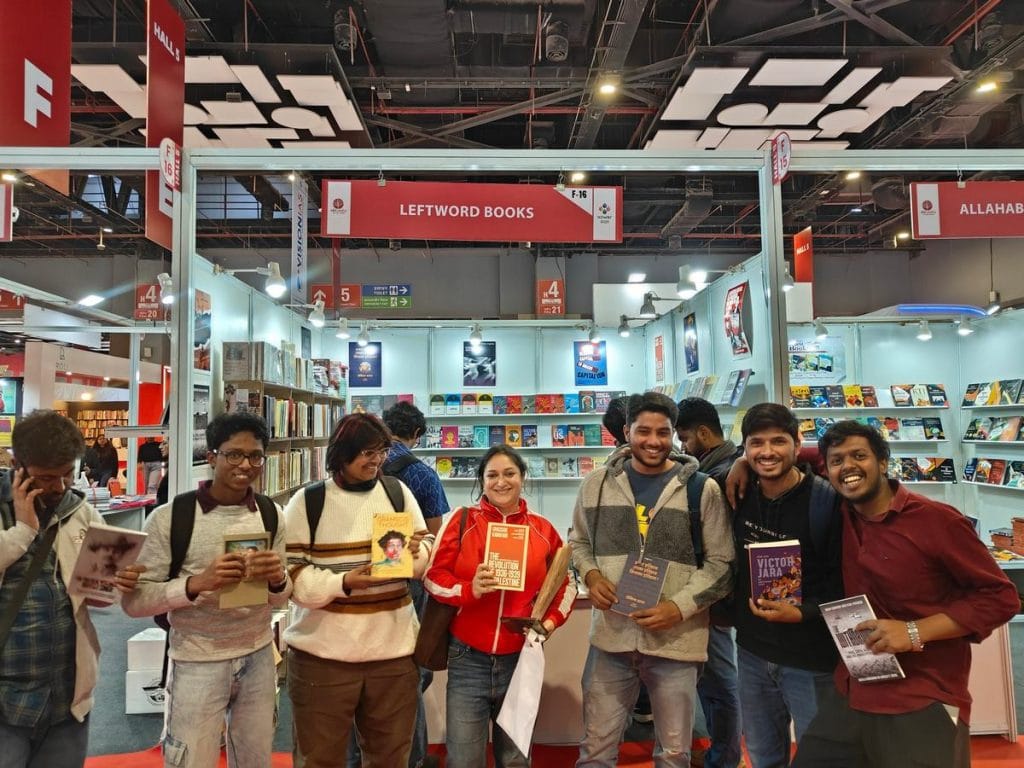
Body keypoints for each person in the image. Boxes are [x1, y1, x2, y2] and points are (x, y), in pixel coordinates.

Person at [792, 420, 1019, 768]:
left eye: (859, 456)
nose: (847, 467)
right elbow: (794, 452)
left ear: (883, 463)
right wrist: (744, 461)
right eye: (837, 461)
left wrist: (912, 631)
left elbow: (1000, 598)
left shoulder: (936, 521)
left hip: (921, 695)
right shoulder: (840, 514)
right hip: (853, 689)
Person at [570, 392, 734, 768]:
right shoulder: (596, 485)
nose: (653, 441)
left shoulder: (701, 489)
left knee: (674, 754)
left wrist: (678, 608)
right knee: (595, 749)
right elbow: (578, 541)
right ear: (627, 431)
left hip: (676, 643)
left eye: (663, 432)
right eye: (643, 431)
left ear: (674, 434)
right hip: (611, 638)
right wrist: (591, 574)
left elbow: (723, 564)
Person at [122, 411, 290, 768]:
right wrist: (196, 584)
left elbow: (281, 597)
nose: (246, 464)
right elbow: (135, 601)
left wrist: (278, 580)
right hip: (197, 659)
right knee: (192, 759)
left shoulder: (271, 513)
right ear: (211, 456)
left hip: (259, 653)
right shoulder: (171, 517)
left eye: (255, 456)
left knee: (256, 758)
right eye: (234, 454)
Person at [284, 413, 433, 768]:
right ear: (342, 453)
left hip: (393, 656)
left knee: (391, 757)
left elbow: (424, 540)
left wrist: (417, 556)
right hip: (322, 659)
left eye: (381, 450)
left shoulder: (397, 492)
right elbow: (292, 576)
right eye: (366, 452)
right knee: (320, 758)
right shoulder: (309, 502)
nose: (376, 460)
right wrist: (344, 583)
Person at [0, 410, 144, 767]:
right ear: (17, 463)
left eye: (67, 474)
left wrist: (116, 583)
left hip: (67, 693)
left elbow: (95, 598)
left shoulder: (81, 510)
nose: (60, 487)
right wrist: (22, 530)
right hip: (5, 695)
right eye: (47, 478)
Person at [424, 445, 575, 768]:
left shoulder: (543, 529)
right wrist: (469, 589)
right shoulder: (461, 522)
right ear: (482, 480)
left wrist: (548, 624)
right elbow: (433, 579)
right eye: (492, 475)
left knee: (516, 758)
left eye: (509, 473)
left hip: (521, 657)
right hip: (467, 658)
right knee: (464, 759)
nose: (501, 482)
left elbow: (566, 585)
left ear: (522, 478)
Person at [730, 403, 843, 768]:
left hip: (811, 659)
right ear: (744, 448)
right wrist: (737, 463)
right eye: (756, 443)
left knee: (819, 756)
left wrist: (802, 613)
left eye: (778, 441)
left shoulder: (827, 502)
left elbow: (846, 583)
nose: (767, 452)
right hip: (751, 653)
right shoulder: (736, 492)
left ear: (798, 443)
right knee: (763, 756)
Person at [347, 401, 450, 768]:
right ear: (418, 435)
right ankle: (413, 758)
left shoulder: (349, 470)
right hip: (406, 582)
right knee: (409, 673)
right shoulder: (421, 474)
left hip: (355, 582)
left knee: (355, 674)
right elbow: (433, 535)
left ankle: (356, 757)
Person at [674, 397, 744, 768]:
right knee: (713, 679)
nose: (682, 447)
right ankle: (722, 753)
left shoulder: (720, 475)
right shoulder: (726, 465)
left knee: (719, 680)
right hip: (705, 592)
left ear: (703, 433)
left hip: (713, 593)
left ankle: (725, 759)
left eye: (685, 438)